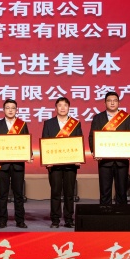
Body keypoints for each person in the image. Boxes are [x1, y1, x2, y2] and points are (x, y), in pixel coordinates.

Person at [42, 97, 83, 228]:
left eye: (65, 105)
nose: (63, 108)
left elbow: (78, 142)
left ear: (69, 107)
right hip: (54, 165)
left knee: (69, 194)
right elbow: (45, 142)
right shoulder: (49, 123)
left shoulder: (75, 123)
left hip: (71, 165)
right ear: (56, 108)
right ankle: (55, 220)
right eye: (60, 105)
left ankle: (69, 219)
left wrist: (79, 158)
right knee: (55, 193)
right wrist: (47, 160)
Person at [89, 92, 130, 205]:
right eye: (109, 101)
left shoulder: (126, 117)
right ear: (105, 103)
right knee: (105, 191)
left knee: (122, 191)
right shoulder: (98, 118)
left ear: (119, 103)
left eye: (115, 100)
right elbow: (92, 137)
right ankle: (105, 214)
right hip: (104, 161)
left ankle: (121, 214)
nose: (112, 103)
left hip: (122, 161)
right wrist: (95, 152)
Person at [0, 99, 30, 229]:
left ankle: (20, 220)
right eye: (7, 108)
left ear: (16, 110)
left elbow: (26, 142)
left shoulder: (22, 124)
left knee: (18, 194)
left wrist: (29, 154)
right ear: (3, 110)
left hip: (18, 165)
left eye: (13, 108)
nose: (10, 110)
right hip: (2, 165)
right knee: (3, 195)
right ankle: (2, 220)